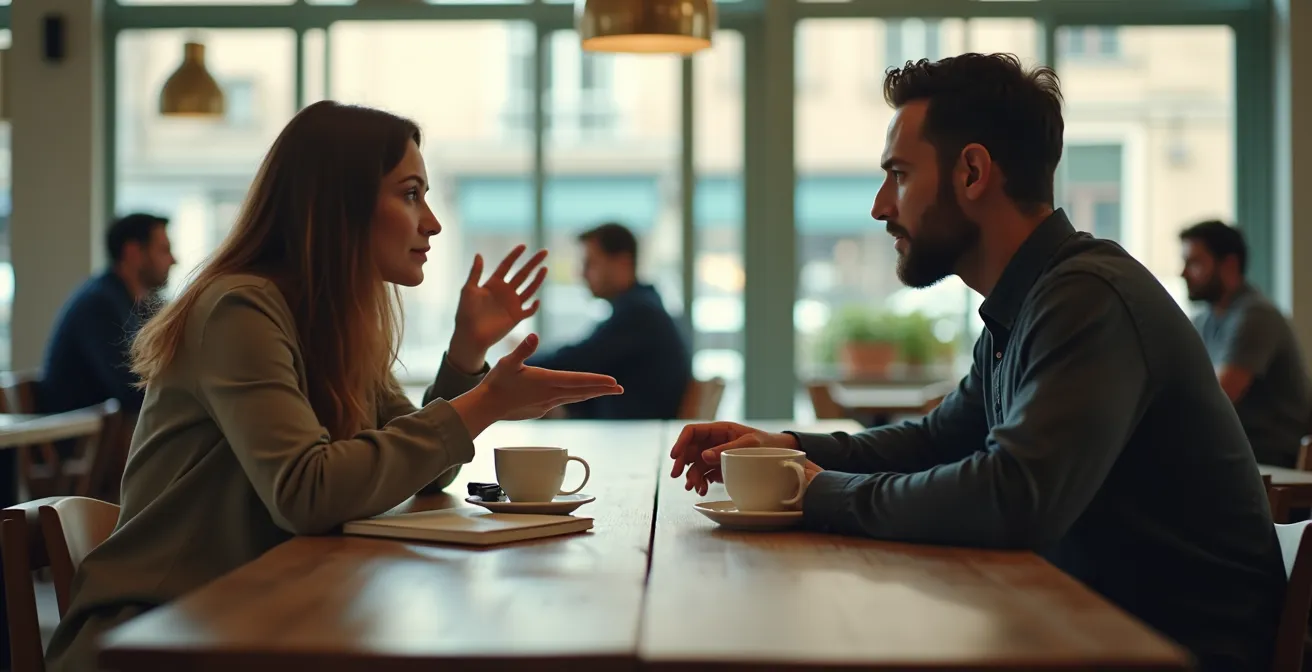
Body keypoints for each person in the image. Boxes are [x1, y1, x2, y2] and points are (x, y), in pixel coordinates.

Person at [669, 54, 1285, 671]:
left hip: (1177, 651)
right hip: (1082, 626)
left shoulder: (1088, 298)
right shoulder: (1027, 302)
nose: (881, 207)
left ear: (972, 172)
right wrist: (778, 448)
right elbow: (937, 441)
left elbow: (1013, 496)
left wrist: (816, 493)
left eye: (900, 175)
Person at [44, 101, 623, 672]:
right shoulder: (238, 309)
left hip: (252, 612)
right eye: (411, 193)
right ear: (338, 206)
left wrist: (466, 356)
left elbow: (427, 465)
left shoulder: (331, 319)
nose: (433, 222)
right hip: (151, 633)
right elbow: (307, 492)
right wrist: (485, 402)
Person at [1180, 220, 1311, 467]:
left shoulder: (1255, 315)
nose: (1183, 273)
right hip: (1235, 455)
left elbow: (1218, 398)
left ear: (1229, 264)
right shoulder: (1204, 321)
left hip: (1271, 460)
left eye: (1194, 262)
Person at [527, 222, 691, 419]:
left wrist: (518, 365)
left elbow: (577, 360)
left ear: (622, 263)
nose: (582, 274)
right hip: (633, 431)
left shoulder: (638, 314)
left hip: (633, 435)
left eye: (590, 264)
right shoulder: (642, 307)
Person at [37, 213, 176, 415]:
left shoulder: (134, 303)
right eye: (164, 250)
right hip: (79, 441)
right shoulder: (99, 304)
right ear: (133, 253)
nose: (174, 260)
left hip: (103, 435)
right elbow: (133, 388)